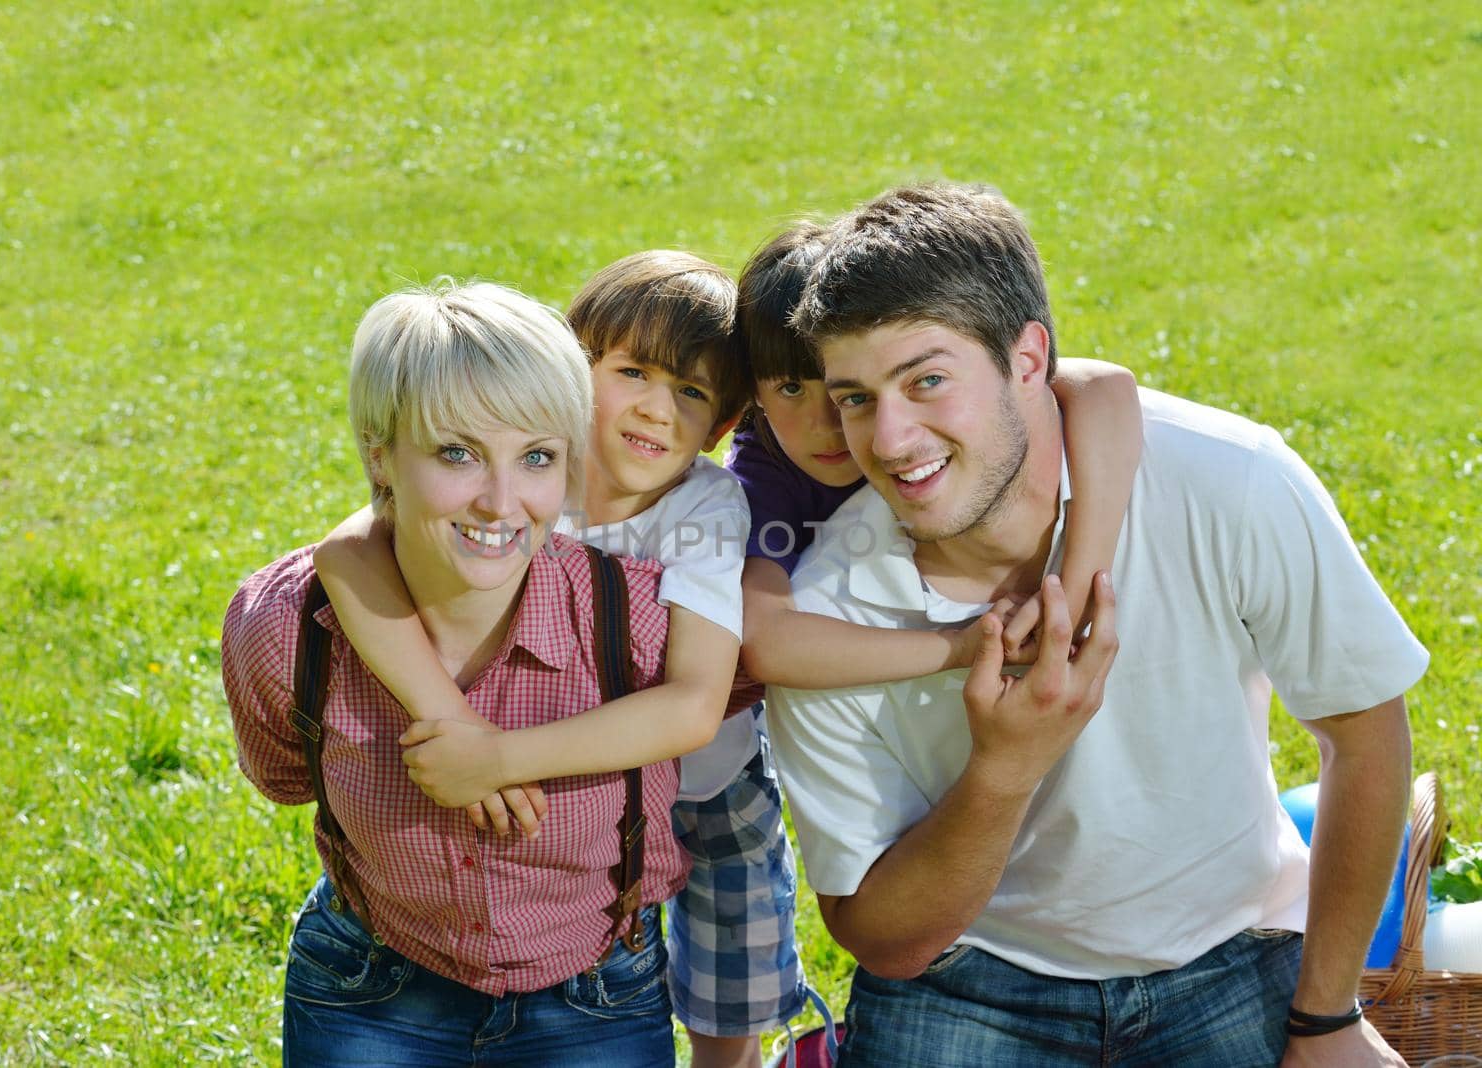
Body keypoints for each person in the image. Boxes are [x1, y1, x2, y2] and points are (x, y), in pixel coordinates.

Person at [766, 182, 1429, 1067]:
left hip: (1228, 955)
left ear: (1029, 359)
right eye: (855, 397)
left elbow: (1363, 725)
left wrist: (1328, 1017)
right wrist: (1006, 769)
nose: (888, 441)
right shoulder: (829, 613)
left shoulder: (1229, 480)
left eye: (926, 380)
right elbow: (883, 940)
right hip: (969, 979)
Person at [312, 251, 794, 1068]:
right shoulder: (526, 474)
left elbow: (691, 708)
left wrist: (497, 757)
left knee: (730, 1003)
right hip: (570, 796)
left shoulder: (704, 505)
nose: (655, 409)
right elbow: (347, 552)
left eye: (691, 392)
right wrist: (453, 725)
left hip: (709, 785)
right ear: (569, 371)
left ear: (718, 428)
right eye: (633, 371)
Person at [222, 281, 690, 1066]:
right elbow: (284, 776)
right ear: (379, 451)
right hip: (370, 991)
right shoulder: (287, 627)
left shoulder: (640, 624)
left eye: (536, 456)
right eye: (457, 454)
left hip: (595, 997)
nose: (501, 502)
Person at [728, 221, 1142, 689]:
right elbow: (768, 642)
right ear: (752, 396)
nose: (831, 423)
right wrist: (961, 646)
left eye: (844, 394)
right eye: (790, 388)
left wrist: (1078, 585)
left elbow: (1105, 387)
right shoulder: (759, 482)